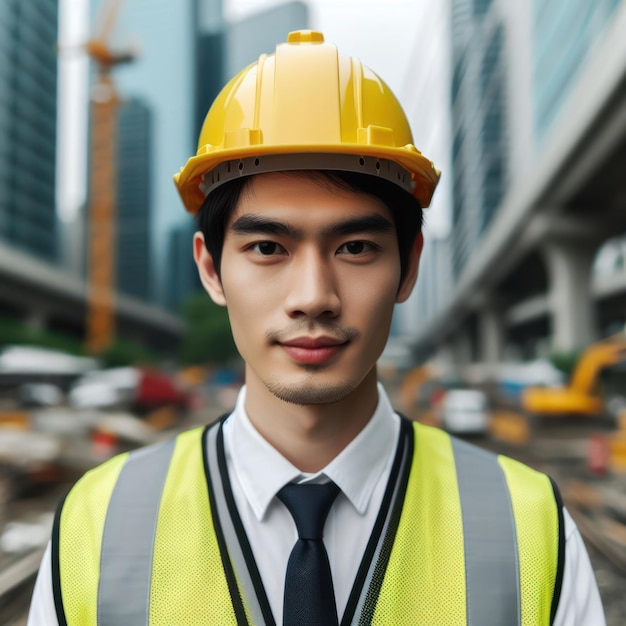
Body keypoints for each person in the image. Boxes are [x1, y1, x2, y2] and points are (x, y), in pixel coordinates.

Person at [29, 30, 604, 625]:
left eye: (355, 247)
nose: (313, 298)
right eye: (268, 247)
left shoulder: (529, 524)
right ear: (210, 268)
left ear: (409, 266)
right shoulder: (97, 523)